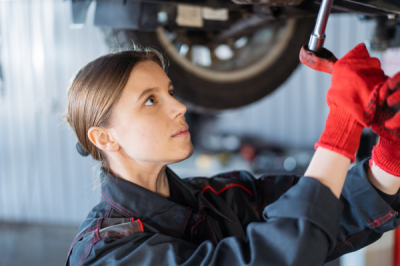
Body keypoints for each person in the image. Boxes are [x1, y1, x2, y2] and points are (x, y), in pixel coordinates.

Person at [65, 43, 400, 266]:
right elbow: (272, 256)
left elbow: (328, 211)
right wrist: (342, 125)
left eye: (169, 92)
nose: (179, 106)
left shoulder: (216, 198)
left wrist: (391, 153)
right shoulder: (105, 254)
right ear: (104, 138)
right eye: (150, 100)